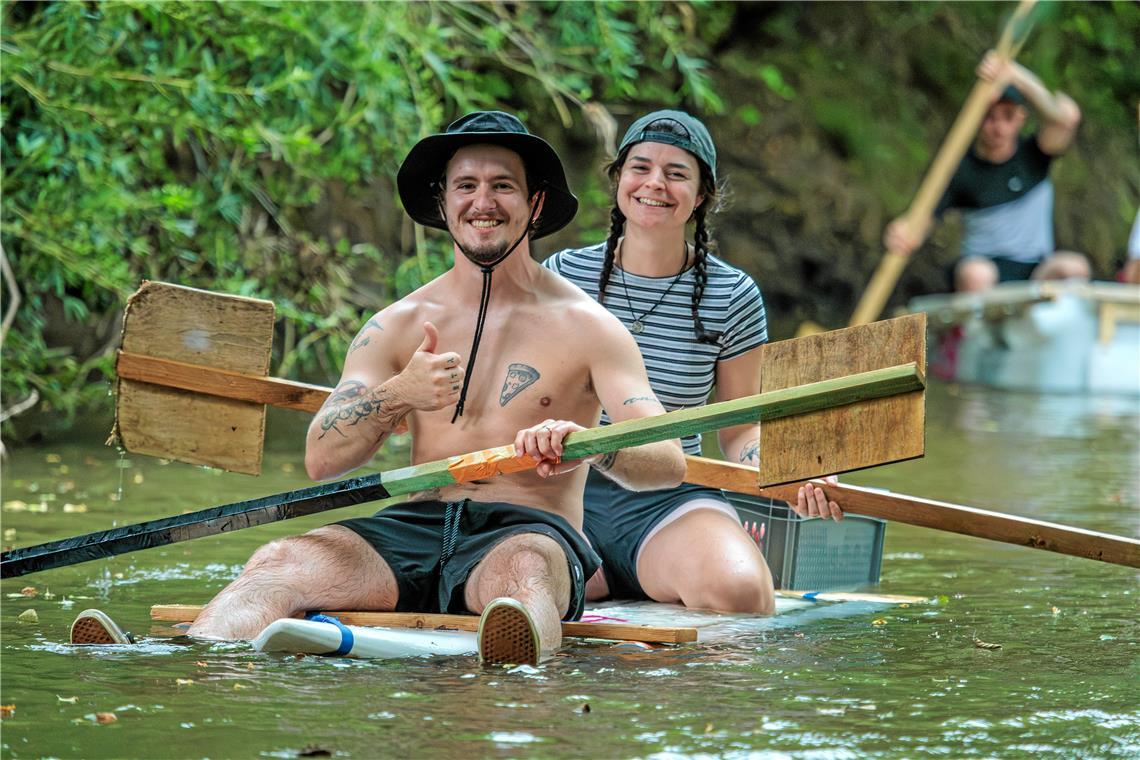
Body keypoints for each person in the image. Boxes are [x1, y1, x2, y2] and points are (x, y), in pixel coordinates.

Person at [71, 112, 687, 665]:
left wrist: (588, 442)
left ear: (535, 201)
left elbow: (666, 463)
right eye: (465, 186)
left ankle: (513, 685)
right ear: (442, 203)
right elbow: (321, 458)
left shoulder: (592, 329)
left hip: (526, 529)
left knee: (522, 570)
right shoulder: (394, 325)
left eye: (502, 185)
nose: (483, 202)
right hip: (413, 527)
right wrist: (398, 394)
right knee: (280, 560)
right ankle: (181, 663)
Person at [544, 110, 840, 615]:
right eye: (640, 168)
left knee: (742, 593)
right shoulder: (561, 276)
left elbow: (741, 428)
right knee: (530, 583)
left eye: (676, 173)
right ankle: (593, 579)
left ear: (701, 195)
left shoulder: (732, 294)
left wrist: (789, 470)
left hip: (669, 494)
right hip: (565, 492)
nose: (654, 184)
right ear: (619, 180)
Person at [884, 52, 1087, 293]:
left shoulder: (1036, 154)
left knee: (1075, 267)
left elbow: (1067, 117)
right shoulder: (959, 168)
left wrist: (1013, 73)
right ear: (977, 119)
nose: (998, 127)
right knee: (976, 274)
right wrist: (902, 231)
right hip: (985, 269)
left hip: (1035, 269)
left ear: (1021, 118)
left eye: (1008, 116)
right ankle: (973, 328)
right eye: (990, 117)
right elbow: (921, 222)